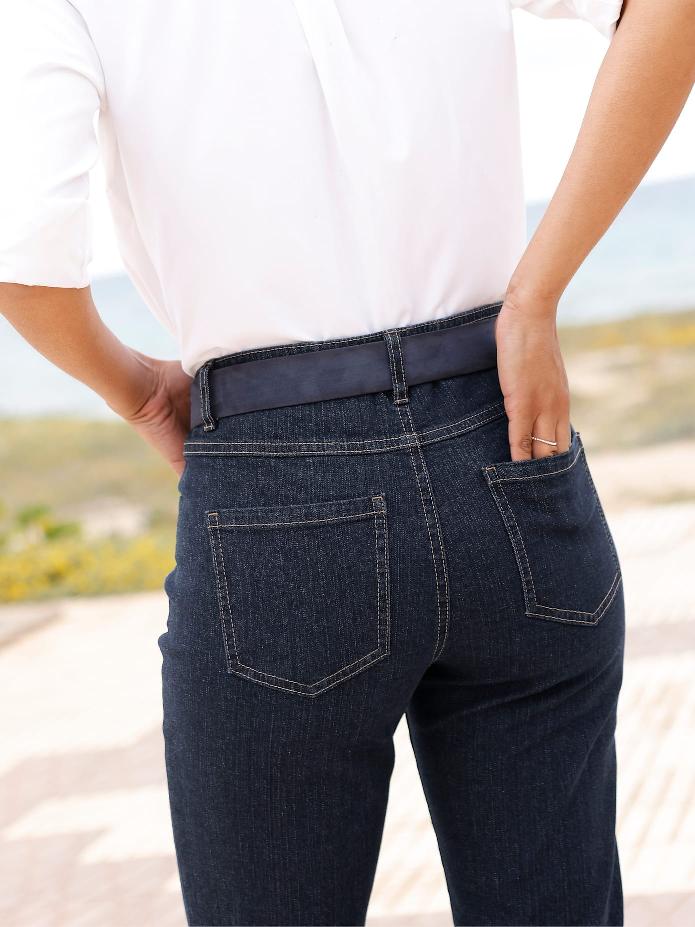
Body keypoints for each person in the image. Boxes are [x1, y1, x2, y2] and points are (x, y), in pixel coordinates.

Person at [1, 1, 693, 924]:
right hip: (506, 450)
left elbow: (23, 257)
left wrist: (139, 391)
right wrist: (534, 297)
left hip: (277, 487)